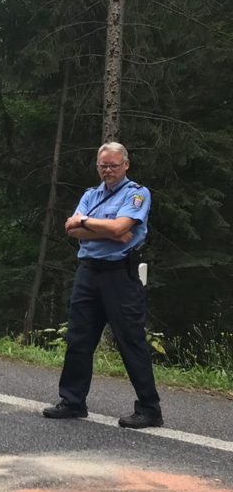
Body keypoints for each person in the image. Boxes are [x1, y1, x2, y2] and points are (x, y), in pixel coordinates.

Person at [42, 142, 163, 428]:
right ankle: (72, 402)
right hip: (88, 273)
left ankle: (149, 409)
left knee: (130, 341)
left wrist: (85, 222)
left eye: (113, 165)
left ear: (126, 165)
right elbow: (71, 231)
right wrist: (104, 229)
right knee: (79, 339)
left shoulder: (136, 194)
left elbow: (121, 231)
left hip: (119, 276)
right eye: (103, 166)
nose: (107, 171)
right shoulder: (91, 195)